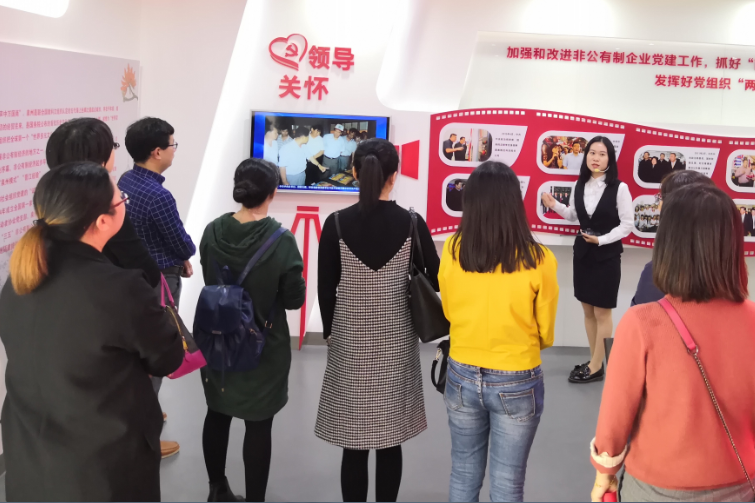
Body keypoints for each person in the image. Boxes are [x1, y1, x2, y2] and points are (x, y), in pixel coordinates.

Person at [0, 162, 184, 501]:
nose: (124, 203)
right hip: (102, 466)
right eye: (121, 199)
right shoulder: (121, 288)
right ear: (102, 221)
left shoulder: (21, 277)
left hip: (32, 458)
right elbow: (167, 358)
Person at [590, 184, 755, 503]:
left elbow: (614, 419)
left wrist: (604, 473)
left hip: (657, 487)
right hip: (738, 482)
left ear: (668, 244)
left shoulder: (641, 322)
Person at [315, 139, 440, 503]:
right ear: (394, 176)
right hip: (396, 342)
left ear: (354, 172)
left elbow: (325, 288)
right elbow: (435, 278)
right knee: (390, 439)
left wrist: (330, 332)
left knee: (353, 442)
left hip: (349, 342)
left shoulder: (336, 224)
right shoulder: (412, 223)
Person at [439, 161, 559, 502]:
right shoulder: (540, 258)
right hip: (517, 375)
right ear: (514, 202)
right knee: (508, 482)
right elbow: (546, 331)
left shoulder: (453, 248)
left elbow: (449, 311)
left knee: (463, 473)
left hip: (461, 371)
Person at [200, 159, 306, 502]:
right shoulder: (281, 240)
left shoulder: (212, 231)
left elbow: (209, 278)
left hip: (217, 339)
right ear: (273, 192)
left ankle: (217, 489)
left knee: (217, 412)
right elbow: (294, 299)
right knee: (259, 424)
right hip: (263, 346)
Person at [118, 116, 195, 458]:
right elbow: (182, 242)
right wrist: (185, 255)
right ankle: (144, 438)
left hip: (131, 277)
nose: (175, 150)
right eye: (173, 145)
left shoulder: (126, 181)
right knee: (158, 352)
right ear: (157, 151)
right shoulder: (159, 196)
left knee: (136, 353)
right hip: (160, 280)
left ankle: (143, 412)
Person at [542, 136, 633, 384]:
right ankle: (595, 361)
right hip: (583, 254)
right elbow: (574, 215)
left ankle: (596, 365)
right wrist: (555, 205)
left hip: (607, 256)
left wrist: (601, 240)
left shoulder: (619, 188)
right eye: (592, 153)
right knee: (588, 309)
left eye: (602, 154)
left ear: (609, 158)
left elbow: (627, 225)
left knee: (602, 311)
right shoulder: (579, 184)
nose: (596, 158)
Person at [45, 117, 160, 287]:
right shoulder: (105, 204)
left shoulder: (49, 200)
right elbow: (147, 271)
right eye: (112, 146)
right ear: (99, 160)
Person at [631, 170, 715, 306]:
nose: (658, 204)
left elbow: (641, 316)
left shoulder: (659, 273)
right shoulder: (726, 269)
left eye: (661, 197)